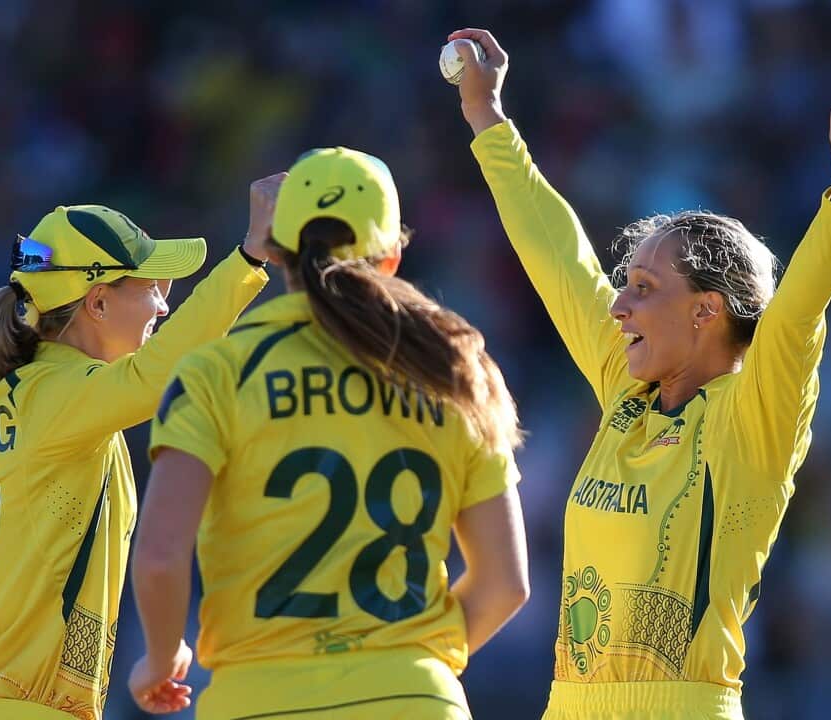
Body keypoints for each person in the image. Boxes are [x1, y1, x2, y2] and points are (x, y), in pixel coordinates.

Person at [447, 27, 831, 720]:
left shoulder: (751, 419)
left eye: (644, 288)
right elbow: (556, 254)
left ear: (705, 312)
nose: (620, 305)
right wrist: (488, 117)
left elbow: (794, 320)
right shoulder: (625, 388)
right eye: (625, 285)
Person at [127, 147, 531, 718]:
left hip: (260, 700)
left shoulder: (219, 371)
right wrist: (409, 660)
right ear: (390, 258)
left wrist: (161, 659)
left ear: (275, 250)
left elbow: (161, 556)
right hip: (416, 700)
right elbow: (506, 585)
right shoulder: (455, 369)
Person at [0, 177, 282, 720]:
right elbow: (160, 375)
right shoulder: (58, 397)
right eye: (153, 286)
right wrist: (250, 260)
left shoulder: (26, 394)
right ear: (97, 301)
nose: (165, 307)